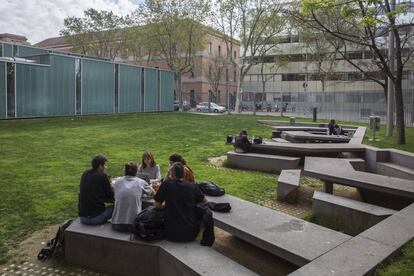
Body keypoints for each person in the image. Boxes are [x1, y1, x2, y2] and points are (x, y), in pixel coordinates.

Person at [154, 162, 206, 242]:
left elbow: (156, 206)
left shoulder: (166, 184)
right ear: (183, 173)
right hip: (191, 233)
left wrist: (168, 206)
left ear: (172, 173)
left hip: (171, 233)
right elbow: (205, 201)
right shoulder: (193, 186)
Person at [112, 161, 154, 232]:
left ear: (124, 171)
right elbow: (154, 194)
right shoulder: (141, 182)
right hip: (133, 226)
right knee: (150, 209)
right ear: (136, 171)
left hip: (116, 224)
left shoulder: (117, 181)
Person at [79, 155, 114, 225]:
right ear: (100, 166)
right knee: (118, 206)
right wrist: (110, 185)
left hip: (83, 218)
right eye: (105, 165)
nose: (105, 168)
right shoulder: (102, 176)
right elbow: (110, 196)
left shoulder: (85, 174)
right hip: (97, 218)